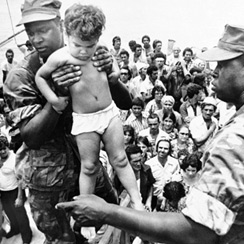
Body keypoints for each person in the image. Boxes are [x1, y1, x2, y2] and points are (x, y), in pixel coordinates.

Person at [56, 24, 244, 244]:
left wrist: (107, 212)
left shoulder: (236, 138)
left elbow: (196, 232)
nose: (214, 70)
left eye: (223, 63)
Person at [3, 0, 133, 243]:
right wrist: (58, 95)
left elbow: (126, 103)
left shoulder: (88, 49)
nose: (35, 38)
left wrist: (112, 78)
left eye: (43, 29)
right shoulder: (21, 75)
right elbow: (30, 137)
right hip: (49, 179)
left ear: (60, 24)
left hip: (86, 164)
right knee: (63, 238)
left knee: (110, 217)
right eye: (30, 32)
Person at [35, 3, 143, 239]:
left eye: (90, 45)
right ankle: (86, 218)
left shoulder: (100, 49)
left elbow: (112, 64)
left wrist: (114, 73)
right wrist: (54, 100)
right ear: (67, 35)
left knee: (120, 159)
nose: (84, 52)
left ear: (97, 38)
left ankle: (137, 200)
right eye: (78, 46)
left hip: (109, 112)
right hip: (84, 119)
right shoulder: (60, 56)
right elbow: (40, 76)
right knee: (90, 166)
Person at [0, 135, 32, 244]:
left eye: (4, 148)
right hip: (3, 191)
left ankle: (27, 235)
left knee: (20, 215)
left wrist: (19, 197)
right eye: (0, 150)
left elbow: (20, 180)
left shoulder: (14, 158)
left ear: (8, 147)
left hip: (15, 190)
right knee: (9, 213)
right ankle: (15, 229)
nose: (2, 151)